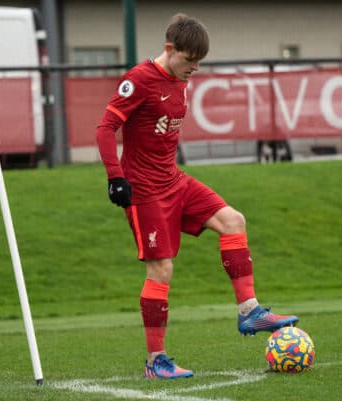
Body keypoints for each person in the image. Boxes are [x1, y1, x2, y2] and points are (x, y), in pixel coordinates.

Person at [95, 13, 298, 379]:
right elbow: (105, 128)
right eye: (190, 60)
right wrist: (115, 177)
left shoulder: (180, 80)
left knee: (233, 220)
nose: (195, 68)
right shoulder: (138, 80)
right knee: (162, 269)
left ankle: (248, 311)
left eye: (199, 62)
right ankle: (156, 362)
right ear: (170, 49)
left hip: (174, 181)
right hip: (144, 192)